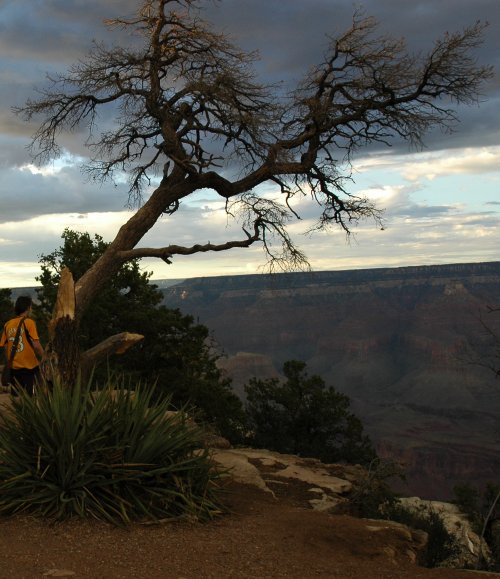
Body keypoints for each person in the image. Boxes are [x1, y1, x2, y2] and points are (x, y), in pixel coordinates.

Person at [0, 295, 44, 396]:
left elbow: (5, 346)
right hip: (30, 367)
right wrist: (45, 357)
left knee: (17, 397)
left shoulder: (8, 324)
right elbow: (36, 345)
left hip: (14, 368)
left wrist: (10, 361)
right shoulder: (29, 323)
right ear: (28, 308)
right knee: (31, 397)